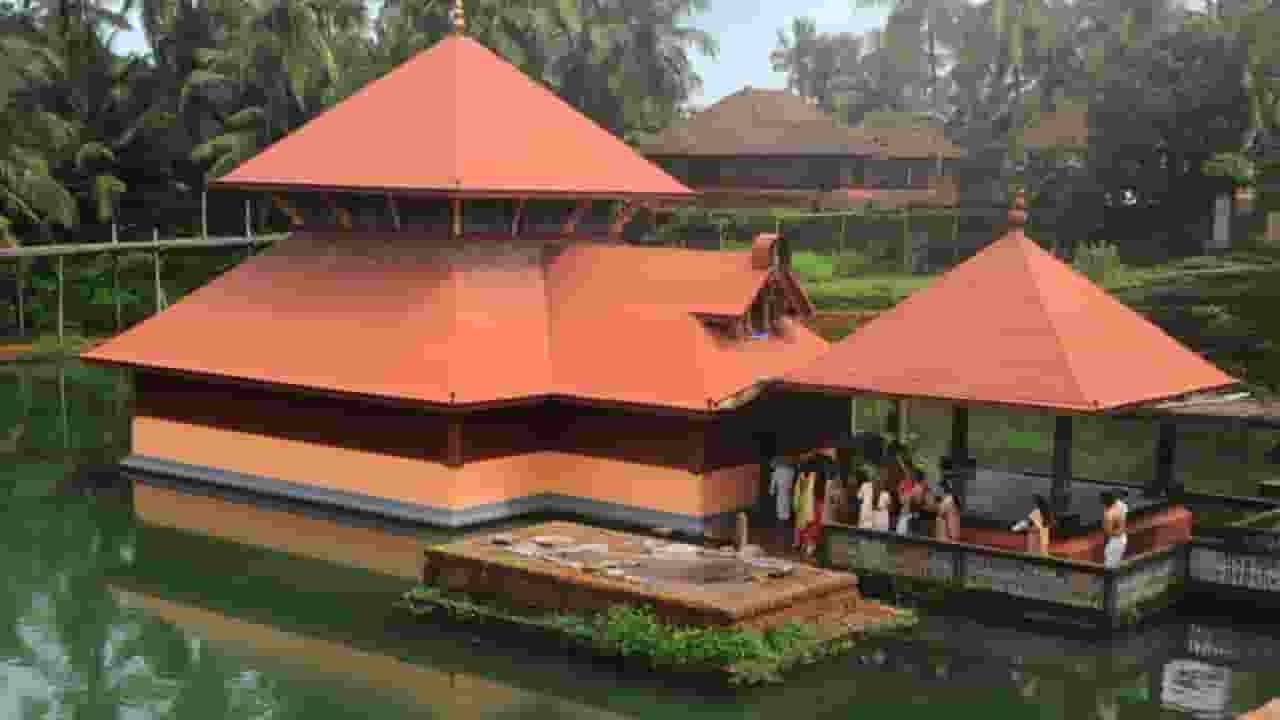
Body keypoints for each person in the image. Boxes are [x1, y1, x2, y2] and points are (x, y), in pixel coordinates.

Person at [931, 476, 962, 542]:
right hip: (948, 537)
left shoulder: (947, 501)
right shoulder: (950, 499)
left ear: (942, 489)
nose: (935, 491)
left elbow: (936, 510)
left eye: (937, 489)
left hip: (947, 539)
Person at [1101, 491, 1128, 568]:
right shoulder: (1120, 507)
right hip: (1122, 538)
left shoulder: (1109, 515)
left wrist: (1105, 527)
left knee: (1109, 566)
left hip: (1115, 542)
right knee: (1116, 563)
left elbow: (1108, 532)